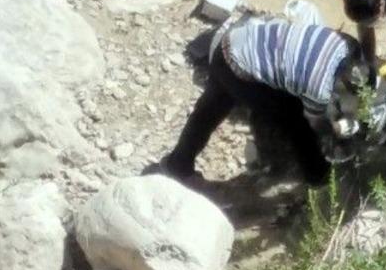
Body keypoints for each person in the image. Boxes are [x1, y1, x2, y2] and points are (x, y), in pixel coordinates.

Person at [147, 17, 374, 187]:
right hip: (238, 68)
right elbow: (318, 126)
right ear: (343, 82)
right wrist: (345, 128)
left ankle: (177, 165)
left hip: (234, 42)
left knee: (209, 111)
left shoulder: (346, 45)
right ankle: (318, 176)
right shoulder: (319, 87)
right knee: (296, 124)